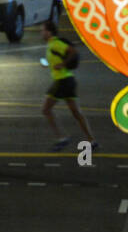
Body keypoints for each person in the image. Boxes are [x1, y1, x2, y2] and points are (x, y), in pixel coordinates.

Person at [40, 20, 97, 151]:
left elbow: (73, 52)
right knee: (76, 112)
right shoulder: (51, 45)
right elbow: (58, 60)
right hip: (68, 80)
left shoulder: (55, 44)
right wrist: (50, 65)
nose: (41, 33)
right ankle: (91, 140)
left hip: (62, 81)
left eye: (42, 31)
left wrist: (63, 64)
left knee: (46, 109)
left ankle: (62, 138)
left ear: (49, 32)